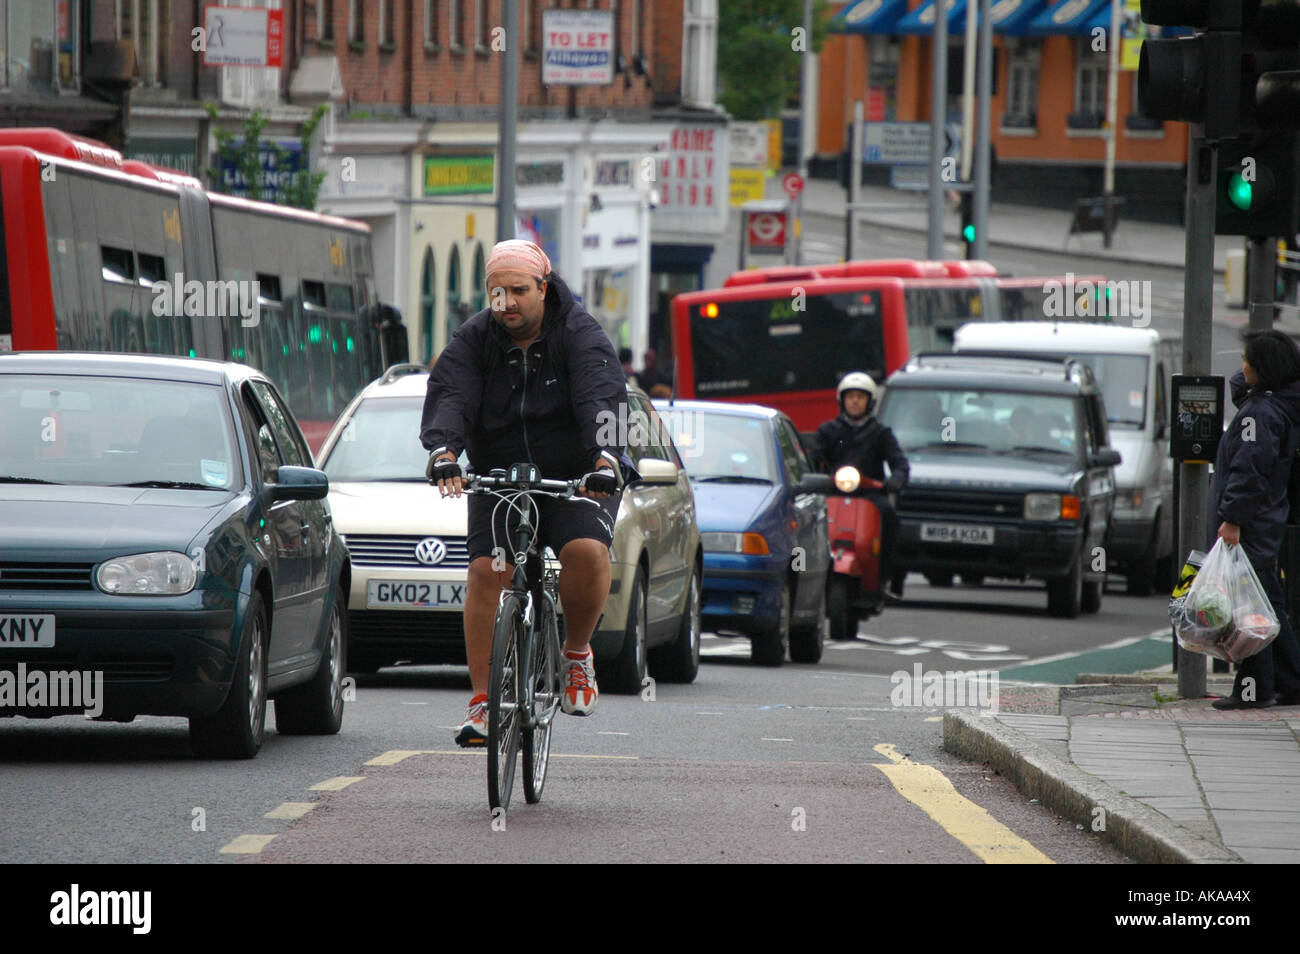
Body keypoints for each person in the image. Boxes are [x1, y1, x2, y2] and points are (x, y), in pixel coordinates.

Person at [420, 239, 628, 745]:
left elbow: (601, 395)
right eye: (497, 292)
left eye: (518, 291)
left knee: (584, 552)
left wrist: (605, 458)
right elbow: (452, 394)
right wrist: (445, 452)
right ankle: (483, 703)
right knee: (486, 572)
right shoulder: (474, 339)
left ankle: (576, 653)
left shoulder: (580, 335)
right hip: (499, 474)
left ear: (544, 286)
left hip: (577, 474)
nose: (507, 303)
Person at [1210, 329, 1300, 709]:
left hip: (1251, 524)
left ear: (1263, 369)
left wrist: (1232, 519)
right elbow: (1239, 385)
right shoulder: (1272, 402)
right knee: (1267, 604)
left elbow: (1249, 474)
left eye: (1248, 359)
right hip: (1265, 520)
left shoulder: (1261, 415)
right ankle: (1291, 682)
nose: (1241, 365)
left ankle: (1253, 689)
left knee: (1250, 610)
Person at [811, 371, 910, 600]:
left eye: (860, 397)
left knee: (891, 518)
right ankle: (802, 573)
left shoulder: (881, 433)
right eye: (850, 396)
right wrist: (818, 478)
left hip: (869, 496)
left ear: (870, 402)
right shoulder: (828, 431)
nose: (855, 401)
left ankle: (887, 579)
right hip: (833, 495)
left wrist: (895, 480)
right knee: (805, 523)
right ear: (841, 401)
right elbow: (814, 461)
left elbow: (900, 464)